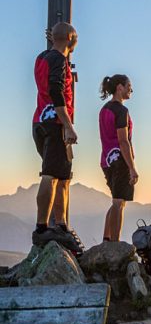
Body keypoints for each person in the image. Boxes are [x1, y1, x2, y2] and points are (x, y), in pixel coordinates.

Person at [32, 22, 83, 255]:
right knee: (51, 174)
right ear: (70, 38)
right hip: (55, 123)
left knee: (62, 176)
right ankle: (42, 228)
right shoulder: (59, 61)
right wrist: (68, 125)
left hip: (41, 121)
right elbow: (56, 89)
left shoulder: (42, 57)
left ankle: (61, 224)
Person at [98, 74, 138, 242]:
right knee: (119, 202)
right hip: (120, 160)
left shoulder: (104, 109)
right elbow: (123, 141)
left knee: (116, 200)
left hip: (106, 160)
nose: (131, 89)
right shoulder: (121, 111)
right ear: (120, 87)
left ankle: (107, 238)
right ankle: (115, 243)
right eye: (129, 85)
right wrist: (132, 167)